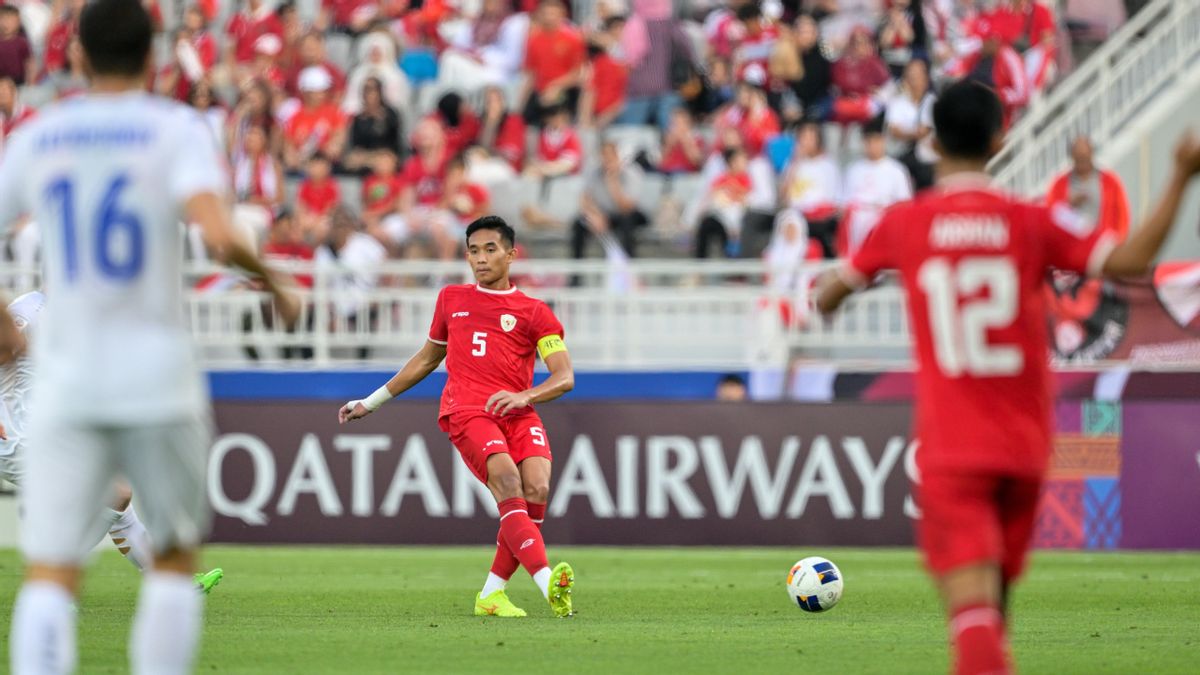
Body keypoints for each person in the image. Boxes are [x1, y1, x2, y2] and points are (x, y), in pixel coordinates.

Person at [815, 80, 1200, 675]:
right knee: (993, 621)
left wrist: (839, 285)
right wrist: (1181, 175)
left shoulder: (903, 224)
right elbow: (1130, 264)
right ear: (1001, 139)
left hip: (952, 449)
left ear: (931, 141)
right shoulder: (1031, 222)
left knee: (971, 621)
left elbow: (828, 296)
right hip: (1024, 447)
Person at [0, 2, 299, 673]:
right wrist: (277, 284)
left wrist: (3, 327)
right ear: (154, 56)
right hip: (156, 370)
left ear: (75, 55)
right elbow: (221, 237)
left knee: (51, 570)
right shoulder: (177, 129)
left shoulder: (40, 136)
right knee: (172, 558)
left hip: (69, 379)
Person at [339, 215, 577, 620]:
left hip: (517, 410)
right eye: (473, 251)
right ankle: (547, 582)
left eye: (490, 250)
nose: (480, 259)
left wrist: (525, 397)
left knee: (536, 488)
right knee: (507, 480)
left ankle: (492, 594)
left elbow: (564, 377)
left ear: (511, 255)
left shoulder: (535, 312)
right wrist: (371, 401)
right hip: (468, 411)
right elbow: (426, 360)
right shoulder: (452, 299)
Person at [0, 291, 228, 595]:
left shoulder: (78, 323)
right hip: (12, 439)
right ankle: (53, 585)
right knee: (115, 494)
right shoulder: (26, 313)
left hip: (42, 435)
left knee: (118, 505)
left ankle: (170, 582)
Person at [840, 117, 913, 256]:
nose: (872, 145)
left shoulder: (896, 170)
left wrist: (882, 212)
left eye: (876, 141)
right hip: (857, 223)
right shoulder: (853, 170)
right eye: (869, 141)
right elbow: (845, 204)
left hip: (884, 220)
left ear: (883, 141)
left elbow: (905, 203)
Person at [1046, 136, 1130, 242]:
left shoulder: (1110, 182)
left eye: (1085, 157)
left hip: (1103, 248)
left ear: (1091, 154)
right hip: (1070, 248)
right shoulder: (1058, 185)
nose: (1083, 161)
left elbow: (1122, 216)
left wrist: (1118, 243)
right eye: (1079, 158)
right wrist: (1068, 204)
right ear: (1072, 157)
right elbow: (1050, 216)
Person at [573, 140, 647, 260]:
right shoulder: (594, 173)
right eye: (603, 155)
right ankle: (576, 274)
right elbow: (585, 199)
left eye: (609, 156)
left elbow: (627, 207)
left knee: (627, 222)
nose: (606, 160)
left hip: (628, 214)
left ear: (617, 156)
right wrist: (595, 215)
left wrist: (613, 183)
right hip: (604, 215)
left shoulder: (632, 173)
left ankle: (629, 266)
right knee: (579, 223)